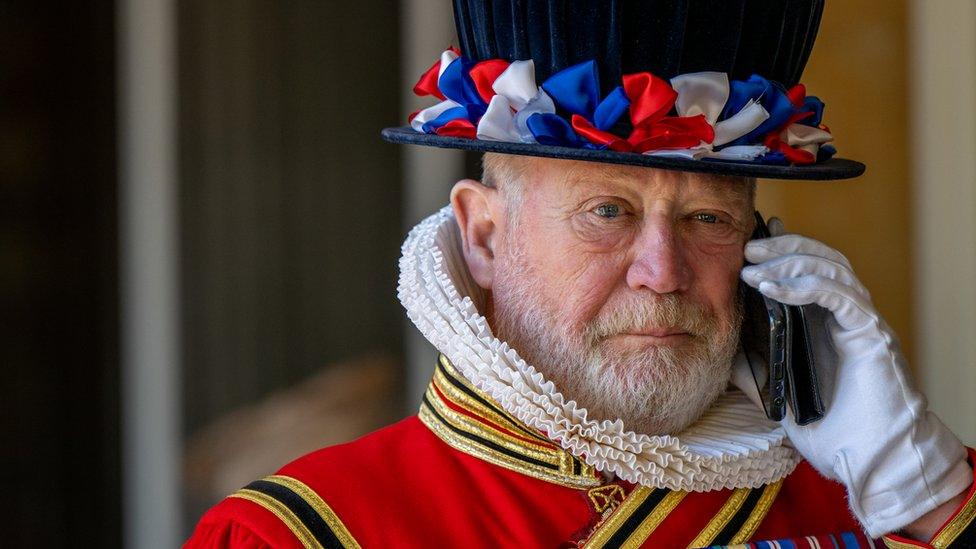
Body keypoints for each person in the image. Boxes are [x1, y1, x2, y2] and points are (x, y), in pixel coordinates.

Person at [186, 1, 976, 547]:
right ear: (485, 235)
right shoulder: (298, 533)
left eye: (709, 219)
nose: (663, 274)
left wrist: (929, 491)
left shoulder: (888, 499)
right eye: (608, 212)